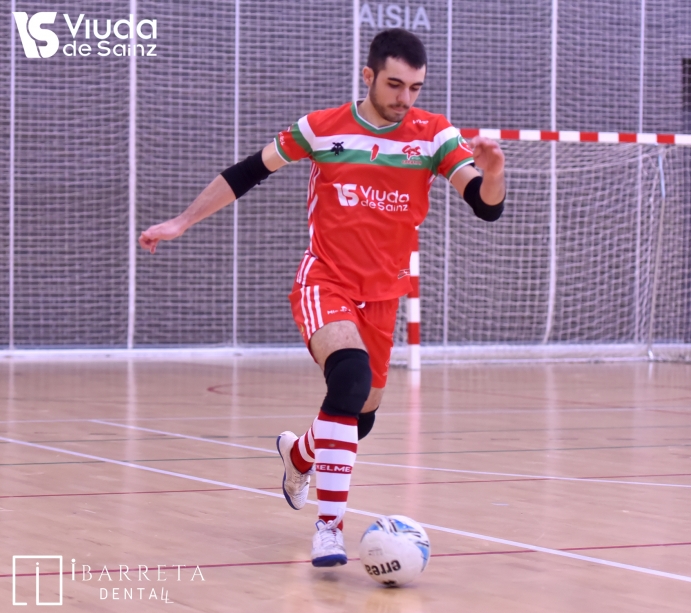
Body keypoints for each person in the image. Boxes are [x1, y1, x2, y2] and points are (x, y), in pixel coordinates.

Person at [138, 28, 506, 567]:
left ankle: (298, 454)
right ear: (368, 76)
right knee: (350, 377)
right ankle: (329, 530)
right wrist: (181, 221)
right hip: (325, 280)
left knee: (360, 419)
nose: (405, 98)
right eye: (395, 85)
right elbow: (248, 172)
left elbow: (486, 205)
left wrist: (493, 174)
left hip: (384, 295)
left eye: (416, 88)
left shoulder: (434, 135)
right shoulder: (321, 128)